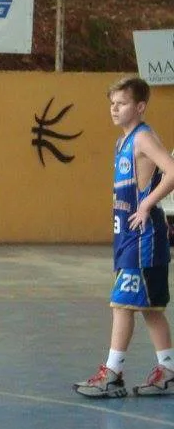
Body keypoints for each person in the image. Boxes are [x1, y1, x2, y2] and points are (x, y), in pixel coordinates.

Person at [74, 75, 174, 398]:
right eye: (112, 104)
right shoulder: (123, 142)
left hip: (143, 237)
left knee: (122, 305)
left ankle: (112, 373)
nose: (115, 109)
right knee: (151, 308)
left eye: (122, 103)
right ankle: (169, 371)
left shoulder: (143, 139)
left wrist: (146, 202)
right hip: (130, 236)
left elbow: (172, 170)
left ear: (140, 107)